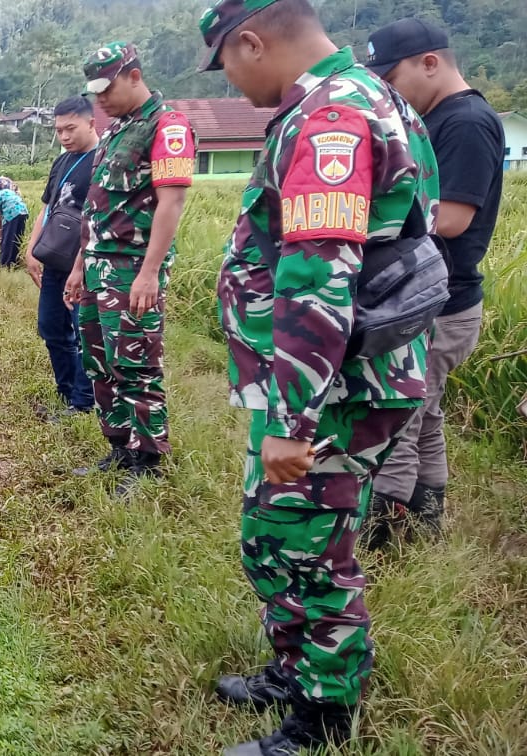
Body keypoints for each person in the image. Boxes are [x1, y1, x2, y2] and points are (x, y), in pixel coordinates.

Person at [199, 1, 439, 753]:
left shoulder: (333, 115)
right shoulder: (368, 97)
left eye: (227, 66)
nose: (231, 85)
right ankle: (295, 669)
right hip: (330, 379)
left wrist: (290, 420)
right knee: (273, 536)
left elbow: (317, 280)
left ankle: (324, 716)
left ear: (250, 41)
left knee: (308, 546)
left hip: (331, 388)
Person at [363, 18, 505, 547]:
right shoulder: (438, 118)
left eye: (391, 78)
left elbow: (452, 218)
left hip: (439, 304)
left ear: (430, 63)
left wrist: (372, 220)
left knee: (397, 415)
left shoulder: (465, 121)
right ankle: (425, 526)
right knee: (425, 416)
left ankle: (383, 540)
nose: (388, 92)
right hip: (438, 299)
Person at [64, 42, 196, 490]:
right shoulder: (118, 132)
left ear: (135, 76)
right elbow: (95, 210)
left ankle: (149, 462)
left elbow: (171, 203)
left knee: (136, 364)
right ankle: (120, 447)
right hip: (98, 266)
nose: (99, 99)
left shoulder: (168, 126)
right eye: (94, 91)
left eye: (108, 87)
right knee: (99, 362)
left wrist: (150, 273)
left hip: (132, 268)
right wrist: (80, 265)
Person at [25, 96, 99, 418]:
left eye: (71, 128)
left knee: (82, 331)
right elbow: (47, 207)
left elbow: (97, 218)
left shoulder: (101, 161)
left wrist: (80, 267)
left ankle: (84, 402)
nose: (64, 136)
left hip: (83, 264)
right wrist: (31, 248)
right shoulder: (62, 162)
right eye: (59, 130)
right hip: (54, 260)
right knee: (51, 327)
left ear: (91, 123)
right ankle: (66, 390)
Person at [0, 177, 29, 268]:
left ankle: (5, 265)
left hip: (11, 214)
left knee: (7, 240)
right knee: (16, 239)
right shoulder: (6, 190)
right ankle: (15, 262)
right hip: (23, 211)